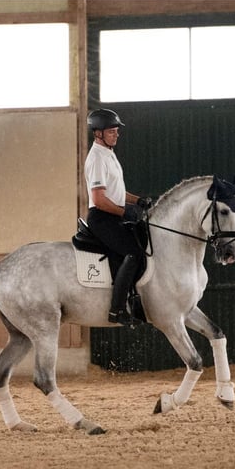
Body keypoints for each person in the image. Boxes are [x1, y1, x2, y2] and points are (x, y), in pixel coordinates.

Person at [84, 108, 151, 325]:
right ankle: (117, 310)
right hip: (102, 218)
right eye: (112, 131)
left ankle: (135, 299)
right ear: (98, 133)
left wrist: (136, 200)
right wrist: (124, 211)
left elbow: (117, 192)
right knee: (133, 252)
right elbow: (99, 198)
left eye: (116, 131)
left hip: (113, 215)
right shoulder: (96, 158)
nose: (117, 134)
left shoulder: (108, 154)